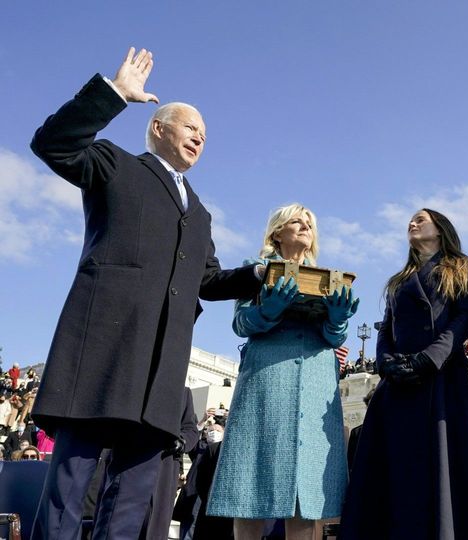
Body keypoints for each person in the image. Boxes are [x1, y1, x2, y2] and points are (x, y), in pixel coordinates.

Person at [29, 48, 263, 540]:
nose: (200, 136)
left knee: (131, 501)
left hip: (160, 369)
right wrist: (113, 95)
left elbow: (209, 280)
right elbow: (54, 143)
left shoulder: (200, 212)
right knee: (71, 486)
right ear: (159, 128)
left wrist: (259, 274)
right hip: (103, 353)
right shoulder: (115, 164)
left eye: (205, 132)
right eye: (190, 126)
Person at [340, 208, 468, 539]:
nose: (412, 223)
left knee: (443, 468)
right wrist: (385, 362)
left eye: (420, 219)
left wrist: (429, 358)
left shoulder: (462, 268)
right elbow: (385, 329)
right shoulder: (399, 280)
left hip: (441, 379)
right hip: (397, 384)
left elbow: (464, 319)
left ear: (440, 229)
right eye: (411, 220)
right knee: (392, 471)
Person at [208, 204, 359, 539]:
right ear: (277, 232)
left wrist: (338, 319)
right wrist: (268, 309)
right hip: (267, 382)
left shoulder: (327, 279)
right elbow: (240, 323)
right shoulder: (255, 270)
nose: (305, 226)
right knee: (250, 487)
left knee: (305, 495)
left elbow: (335, 337)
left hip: (318, 382)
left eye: (310, 222)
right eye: (297, 220)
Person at [138, 387, 200, 540]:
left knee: (155, 528)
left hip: (165, 467)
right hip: (132, 460)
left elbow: (190, 429)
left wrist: (181, 441)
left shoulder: (183, 392)